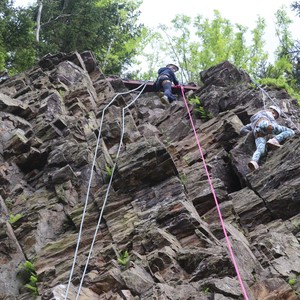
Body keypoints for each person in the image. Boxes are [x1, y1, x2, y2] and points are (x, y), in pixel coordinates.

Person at [240, 105, 295, 171]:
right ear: (273, 112)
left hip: (257, 132)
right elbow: (273, 125)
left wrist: (251, 132)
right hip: (265, 124)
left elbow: (242, 130)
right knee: (291, 131)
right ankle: (275, 140)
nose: (274, 116)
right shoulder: (269, 114)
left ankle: (254, 161)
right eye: (276, 116)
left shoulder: (254, 120)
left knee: (261, 149)